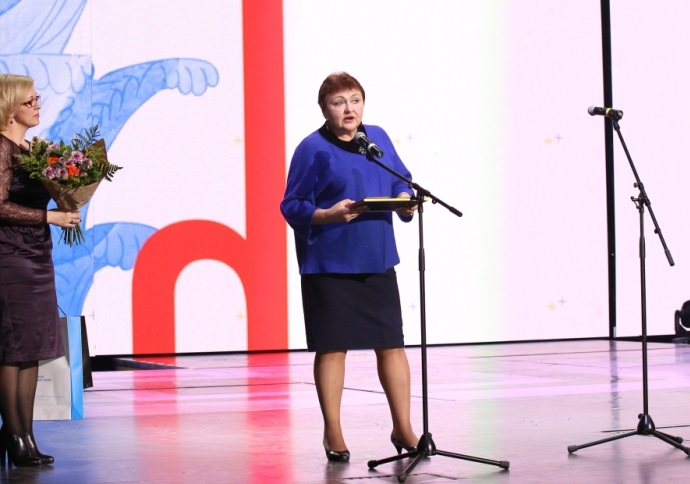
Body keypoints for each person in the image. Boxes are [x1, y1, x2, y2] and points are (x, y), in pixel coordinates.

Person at [280, 72, 419, 462]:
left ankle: (403, 427)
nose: (349, 109)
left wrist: (405, 199)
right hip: (330, 263)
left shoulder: (376, 138)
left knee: (391, 344)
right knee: (332, 347)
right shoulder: (312, 149)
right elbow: (292, 205)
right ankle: (333, 432)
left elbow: (400, 179)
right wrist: (327, 215)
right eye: (339, 102)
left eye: (355, 100)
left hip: (376, 258)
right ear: (324, 109)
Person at [0, 74, 81, 467]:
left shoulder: (33, 149)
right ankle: (13, 434)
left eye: (37, 99)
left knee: (31, 348)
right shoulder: (2, 148)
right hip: (9, 256)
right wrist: (51, 217)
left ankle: (26, 435)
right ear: (9, 106)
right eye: (29, 101)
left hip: (36, 254)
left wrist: (69, 195)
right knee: (12, 349)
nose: (37, 106)